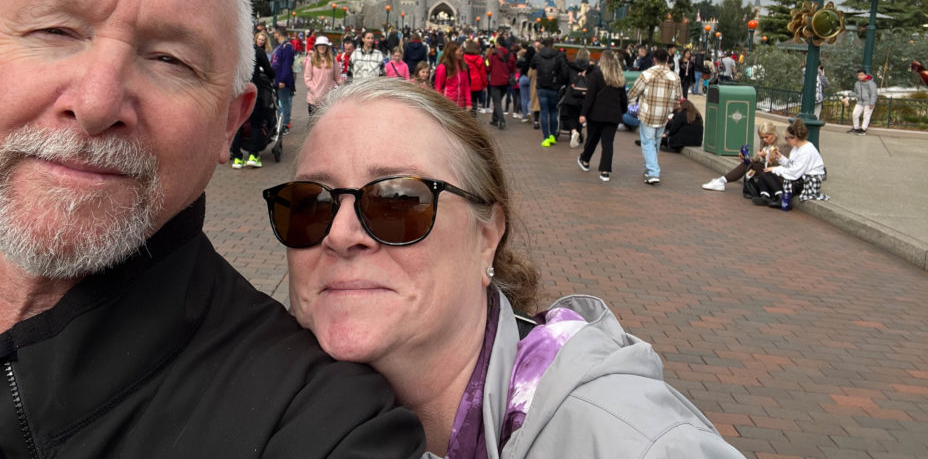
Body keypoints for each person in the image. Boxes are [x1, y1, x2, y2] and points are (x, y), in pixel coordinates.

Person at [0, 0, 424, 457]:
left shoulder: (312, 419)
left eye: (170, 60)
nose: (98, 103)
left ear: (231, 123)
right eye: (56, 31)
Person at [266, 78, 745, 459]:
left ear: (487, 238)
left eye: (398, 201)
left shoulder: (630, 439)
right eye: (311, 203)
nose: (340, 235)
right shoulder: (264, 401)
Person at [626, 49, 682, 184]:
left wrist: (632, 102)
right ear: (667, 60)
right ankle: (649, 168)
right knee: (655, 142)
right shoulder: (674, 77)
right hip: (663, 114)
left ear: (654, 59)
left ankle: (653, 171)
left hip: (648, 113)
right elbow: (677, 99)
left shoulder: (646, 74)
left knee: (648, 142)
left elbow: (633, 93)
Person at [576, 49, 627, 182]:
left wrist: (583, 114)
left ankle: (585, 160)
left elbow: (590, 97)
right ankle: (605, 171)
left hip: (596, 114)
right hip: (613, 114)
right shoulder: (619, 77)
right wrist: (623, 110)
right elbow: (623, 98)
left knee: (592, 138)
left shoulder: (596, 75)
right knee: (608, 143)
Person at [231, 30, 277, 169]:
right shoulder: (258, 52)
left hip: (237, 91)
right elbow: (269, 71)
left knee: (238, 124)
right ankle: (253, 154)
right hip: (252, 91)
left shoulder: (236, 51)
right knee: (256, 123)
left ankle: (237, 157)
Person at [762, 118, 830, 209]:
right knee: (767, 174)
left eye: (787, 138)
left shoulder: (807, 150)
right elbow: (791, 165)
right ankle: (775, 195)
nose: (786, 141)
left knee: (769, 174)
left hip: (806, 182)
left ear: (795, 138)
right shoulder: (796, 148)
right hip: (799, 177)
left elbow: (794, 172)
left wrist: (775, 169)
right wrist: (780, 157)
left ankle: (781, 197)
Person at [702, 120, 788, 192]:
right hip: (766, 168)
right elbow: (760, 158)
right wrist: (749, 158)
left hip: (777, 173)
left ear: (773, 133)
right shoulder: (764, 142)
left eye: (766, 137)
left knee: (749, 166)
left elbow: (781, 165)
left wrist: (766, 156)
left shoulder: (782, 144)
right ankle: (721, 181)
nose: (764, 140)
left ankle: (721, 181)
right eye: (762, 137)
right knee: (748, 164)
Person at [530, 37, 568, 147]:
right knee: (553, 112)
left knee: (544, 112)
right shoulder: (559, 55)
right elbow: (565, 72)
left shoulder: (538, 55)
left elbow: (532, 65)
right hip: (554, 87)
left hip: (541, 86)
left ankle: (546, 137)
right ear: (553, 44)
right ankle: (552, 134)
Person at [304, 35, 343, 112]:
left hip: (328, 100)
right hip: (314, 100)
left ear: (327, 47)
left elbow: (338, 78)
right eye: (320, 45)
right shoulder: (311, 60)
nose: (322, 47)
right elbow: (307, 78)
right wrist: (315, 90)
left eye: (324, 45)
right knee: (314, 123)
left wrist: (345, 88)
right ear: (316, 47)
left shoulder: (333, 60)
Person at [270, 25, 296, 132]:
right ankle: (281, 122)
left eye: (274, 33)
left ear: (278, 34)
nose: (273, 34)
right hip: (277, 79)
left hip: (282, 80)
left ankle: (285, 125)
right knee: (280, 102)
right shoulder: (282, 46)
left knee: (284, 102)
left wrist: (282, 80)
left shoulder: (287, 47)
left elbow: (286, 65)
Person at [486, 37, 514, 130]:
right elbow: (512, 67)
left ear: (498, 44)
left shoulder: (492, 55)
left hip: (495, 80)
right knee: (498, 100)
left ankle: (501, 120)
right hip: (505, 81)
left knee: (497, 101)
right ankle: (494, 119)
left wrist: (486, 60)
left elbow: (487, 67)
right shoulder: (510, 55)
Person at [433, 40, 471, 110]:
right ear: (452, 52)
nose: (462, 53)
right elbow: (438, 88)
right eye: (460, 51)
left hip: (460, 105)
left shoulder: (463, 66)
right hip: (447, 105)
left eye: (462, 51)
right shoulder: (443, 67)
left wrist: (468, 103)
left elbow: (466, 86)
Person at [846, 68, 877, 134]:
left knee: (866, 116)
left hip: (868, 102)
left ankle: (863, 130)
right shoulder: (857, 83)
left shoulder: (871, 83)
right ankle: (856, 128)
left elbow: (873, 94)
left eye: (862, 75)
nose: (860, 76)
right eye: (858, 75)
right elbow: (856, 93)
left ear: (865, 75)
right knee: (855, 114)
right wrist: (848, 94)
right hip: (860, 102)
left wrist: (872, 103)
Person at [463, 39, 487, 114]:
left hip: (465, 82)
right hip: (476, 83)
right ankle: (473, 117)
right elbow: (483, 73)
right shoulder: (479, 59)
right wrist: (484, 85)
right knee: (474, 101)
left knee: (465, 101)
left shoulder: (463, 58)